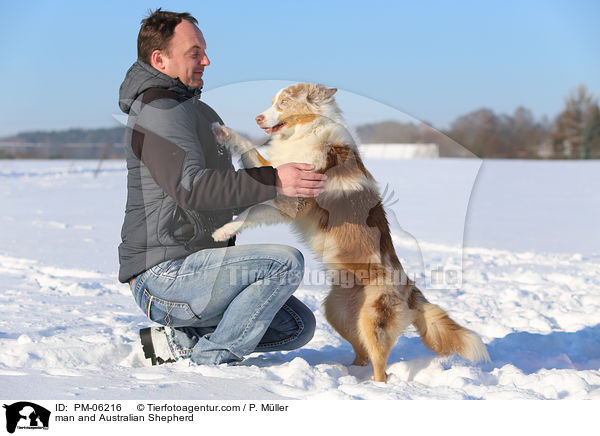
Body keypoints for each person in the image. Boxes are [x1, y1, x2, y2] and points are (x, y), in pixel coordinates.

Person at [117, 9, 327, 366]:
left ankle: (179, 342)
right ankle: (211, 362)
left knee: (295, 326)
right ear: (160, 59)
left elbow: (227, 185)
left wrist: (287, 179)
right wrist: (274, 181)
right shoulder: (158, 110)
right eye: (194, 52)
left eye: (205, 51)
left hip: (200, 267)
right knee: (282, 263)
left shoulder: (198, 111)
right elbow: (192, 187)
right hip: (164, 276)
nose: (206, 61)